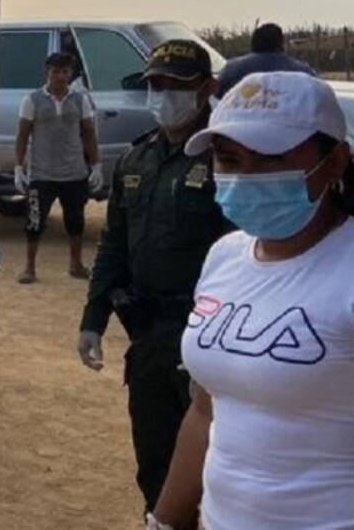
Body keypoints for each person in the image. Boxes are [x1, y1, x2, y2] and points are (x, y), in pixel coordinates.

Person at [150, 72, 354, 530]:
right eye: (229, 159)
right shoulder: (224, 258)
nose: (246, 176)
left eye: (271, 158)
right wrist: (163, 522)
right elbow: (205, 413)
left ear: (334, 162)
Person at [75, 40, 229, 513]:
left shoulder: (226, 160)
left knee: (215, 468)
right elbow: (114, 244)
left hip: (205, 336)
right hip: (148, 337)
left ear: (205, 88)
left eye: (175, 86)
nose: (163, 95)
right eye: (155, 85)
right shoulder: (136, 160)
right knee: (155, 461)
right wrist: (93, 318)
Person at [13, 51, 102, 284]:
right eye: (55, 72)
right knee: (34, 221)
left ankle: (76, 264)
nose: (60, 77)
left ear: (71, 74)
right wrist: (18, 167)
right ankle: (29, 267)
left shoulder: (80, 100)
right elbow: (23, 135)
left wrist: (96, 165)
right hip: (41, 173)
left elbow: (89, 133)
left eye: (64, 72)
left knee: (75, 221)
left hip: (74, 172)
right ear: (47, 73)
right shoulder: (32, 100)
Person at [215, 22, 315, 97]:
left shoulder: (232, 69)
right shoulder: (304, 73)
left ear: (253, 43)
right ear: (281, 44)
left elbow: (217, 96)